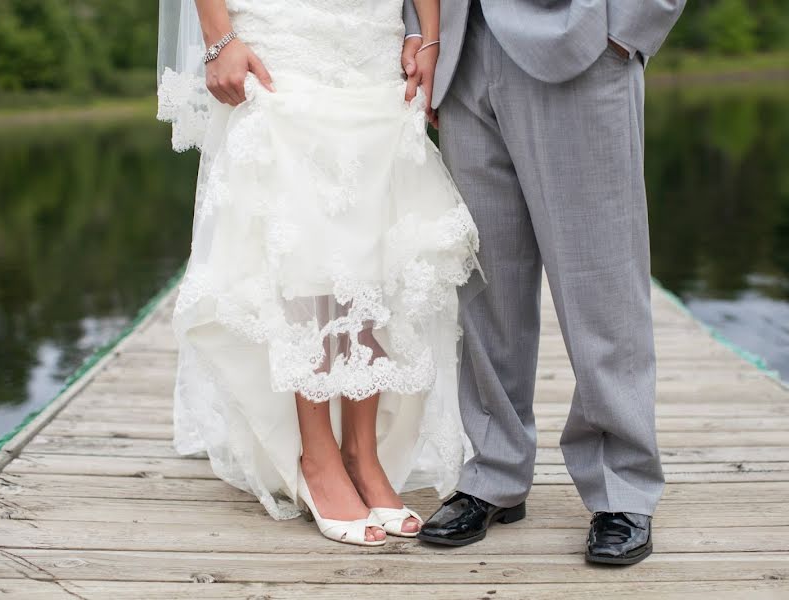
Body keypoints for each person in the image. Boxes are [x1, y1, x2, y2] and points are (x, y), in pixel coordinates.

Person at [157, 0, 479, 546]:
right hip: (286, 28)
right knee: (304, 229)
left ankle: (362, 451)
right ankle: (319, 455)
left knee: (373, 230)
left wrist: (429, 35)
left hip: (370, 30)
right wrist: (218, 37)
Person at [407, 0, 685, 565]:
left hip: (582, 44)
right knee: (485, 289)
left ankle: (622, 487)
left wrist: (628, 31)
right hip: (460, 52)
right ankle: (494, 471)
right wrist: (424, 37)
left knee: (602, 282)